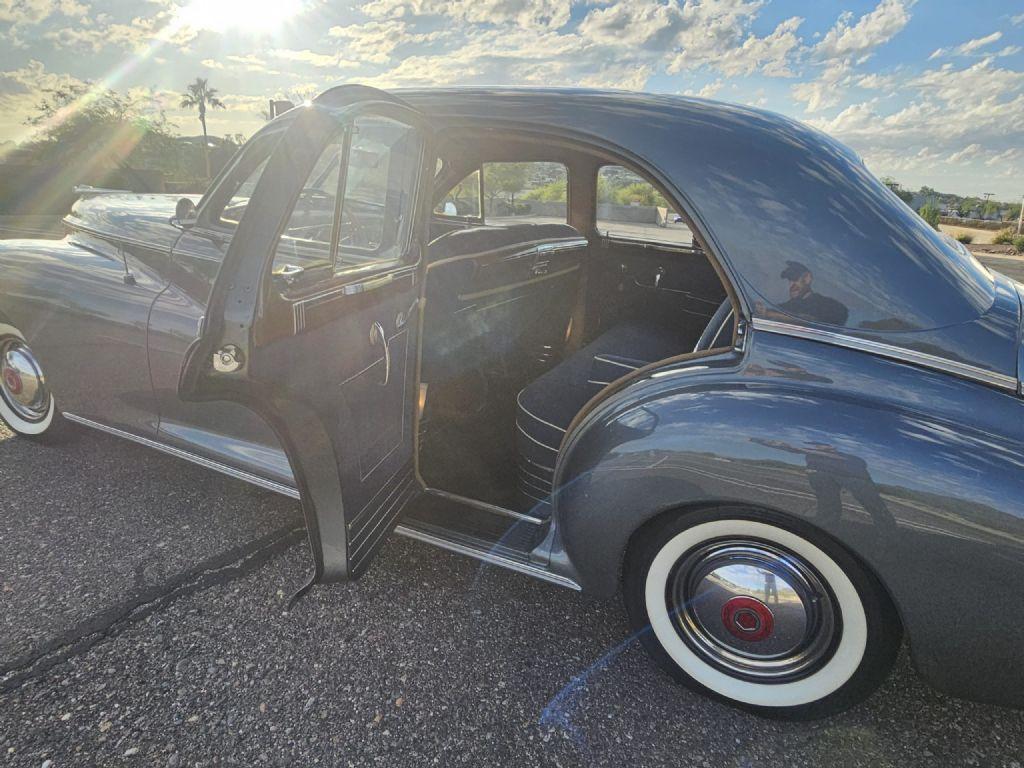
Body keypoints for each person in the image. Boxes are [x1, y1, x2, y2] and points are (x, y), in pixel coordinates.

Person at [775, 261, 849, 326]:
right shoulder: (784, 307)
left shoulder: (831, 306)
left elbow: (813, 321)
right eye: (789, 280)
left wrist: (771, 314)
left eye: (795, 279)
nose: (791, 285)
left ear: (807, 279)